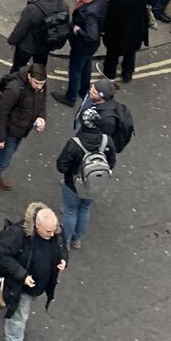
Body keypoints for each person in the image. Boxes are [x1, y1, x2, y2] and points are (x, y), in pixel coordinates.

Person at [0, 202, 67, 341]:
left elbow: (62, 246)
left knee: (16, 303)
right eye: (48, 231)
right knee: (19, 316)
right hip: (23, 286)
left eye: (54, 230)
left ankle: (1, 286)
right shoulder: (17, 235)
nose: (53, 234)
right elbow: (2, 255)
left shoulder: (55, 229)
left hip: (38, 284)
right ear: (36, 225)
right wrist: (22, 275)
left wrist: (63, 260)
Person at [0, 63, 47, 208]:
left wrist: (41, 117)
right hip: (10, 130)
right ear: (29, 77)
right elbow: (2, 113)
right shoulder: (14, 89)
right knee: (3, 160)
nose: (40, 87)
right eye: (37, 83)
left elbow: (41, 103)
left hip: (22, 129)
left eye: (42, 84)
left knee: (4, 158)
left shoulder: (39, 86)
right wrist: (0, 138)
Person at [56, 102, 115, 252]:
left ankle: (66, 242)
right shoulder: (106, 140)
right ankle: (76, 239)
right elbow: (111, 163)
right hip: (94, 183)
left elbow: (61, 166)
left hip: (73, 184)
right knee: (85, 209)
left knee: (70, 211)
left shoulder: (74, 144)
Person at [100, 0, 152, 84]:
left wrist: (104, 29)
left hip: (119, 31)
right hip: (137, 28)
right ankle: (127, 74)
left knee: (112, 53)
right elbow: (149, 2)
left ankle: (110, 74)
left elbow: (111, 17)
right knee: (131, 52)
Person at [8, 0, 70, 74]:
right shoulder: (63, 5)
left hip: (27, 46)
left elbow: (21, 29)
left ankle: (12, 85)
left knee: (18, 68)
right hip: (46, 45)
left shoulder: (33, 9)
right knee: (40, 70)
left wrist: (12, 41)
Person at [60, 0, 106, 104]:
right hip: (90, 48)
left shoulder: (90, 12)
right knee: (86, 66)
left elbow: (92, 35)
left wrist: (78, 30)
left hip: (82, 46)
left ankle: (70, 97)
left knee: (75, 70)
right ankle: (84, 90)